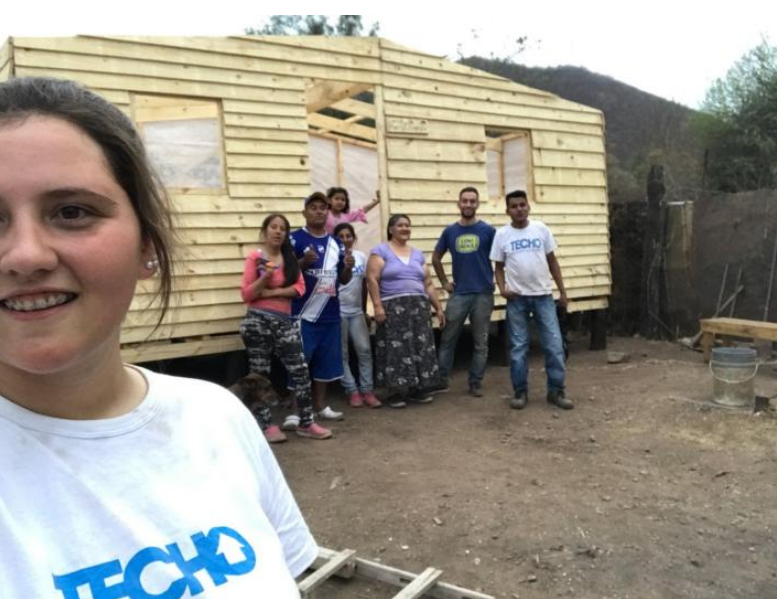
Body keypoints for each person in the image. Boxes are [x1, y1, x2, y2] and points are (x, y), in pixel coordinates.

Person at [0, 77, 317, 597]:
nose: (26, 255)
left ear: (147, 245)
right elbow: (255, 290)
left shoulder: (218, 417)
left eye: (71, 212)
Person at [239, 214, 332, 441]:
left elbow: (299, 288)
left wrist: (269, 292)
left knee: (300, 370)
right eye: (274, 227)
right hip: (258, 321)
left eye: (282, 228)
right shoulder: (256, 257)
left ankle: (306, 423)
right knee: (259, 374)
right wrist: (265, 279)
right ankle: (266, 426)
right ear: (265, 230)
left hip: (285, 320)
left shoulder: (289, 258)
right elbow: (247, 294)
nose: (278, 231)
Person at [489, 189, 574, 411]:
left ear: (528, 206)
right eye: (514, 206)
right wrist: (502, 289)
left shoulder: (541, 229)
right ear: (507, 210)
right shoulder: (502, 235)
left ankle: (556, 391)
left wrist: (562, 292)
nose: (519, 209)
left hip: (543, 297)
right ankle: (520, 391)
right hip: (516, 299)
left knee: (554, 345)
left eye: (522, 205)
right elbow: (498, 267)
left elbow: (552, 261)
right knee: (518, 348)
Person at [287, 192, 355, 429]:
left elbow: (343, 279)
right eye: (313, 207)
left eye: (323, 208)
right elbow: (284, 274)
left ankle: (320, 406)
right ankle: (295, 410)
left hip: (330, 313)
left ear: (328, 213)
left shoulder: (336, 243)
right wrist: (303, 263)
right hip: (302, 313)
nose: (319, 211)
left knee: (326, 363)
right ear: (304, 212)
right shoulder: (294, 239)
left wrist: (348, 267)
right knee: (300, 363)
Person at [367, 214, 446, 408]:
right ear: (391, 229)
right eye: (400, 225)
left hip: (418, 307)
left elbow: (428, 284)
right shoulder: (380, 251)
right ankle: (395, 391)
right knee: (396, 349)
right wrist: (377, 306)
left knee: (420, 346)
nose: (405, 229)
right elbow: (372, 279)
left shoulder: (417, 254)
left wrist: (438, 307)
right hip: (393, 307)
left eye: (407, 225)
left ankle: (416, 389)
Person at [432, 186, 496, 397]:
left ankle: (475, 382)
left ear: (477, 204)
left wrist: (499, 280)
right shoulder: (450, 232)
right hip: (459, 293)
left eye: (472, 201)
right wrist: (444, 282)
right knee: (448, 339)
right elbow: (436, 257)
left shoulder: (488, 231)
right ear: (459, 204)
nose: (468, 204)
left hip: (483, 293)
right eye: (465, 201)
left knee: (481, 342)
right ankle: (442, 380)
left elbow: (501, 257)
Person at [333, 223, 381, 409]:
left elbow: (363, 285)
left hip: (356, 312)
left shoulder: (360, 256)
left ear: (354, 238)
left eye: (349, 236)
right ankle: (352, 390)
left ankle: (367, 390)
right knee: (342, 353)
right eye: (341, 236)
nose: (345, 239)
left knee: (365, 350)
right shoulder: (332, 257)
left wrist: (363, 310)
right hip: (338, 311)